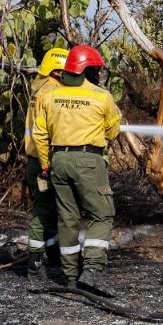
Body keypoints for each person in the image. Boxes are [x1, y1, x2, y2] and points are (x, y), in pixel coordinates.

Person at [31, 45, 121, 297]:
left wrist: (47, 164)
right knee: (101, 215)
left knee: (67, 219)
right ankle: (92, 270)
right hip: (88, 161)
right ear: (87, 70)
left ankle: (70, 276)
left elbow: (39, 134)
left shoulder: (49, 96)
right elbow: (113, 131)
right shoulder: (101, 96)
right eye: (95, 70)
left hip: (57, 160)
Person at [24, 47, 68, 286]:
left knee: (50, 210)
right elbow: (45, 132)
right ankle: (34, 265)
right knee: (43, 212)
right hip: (43, 160)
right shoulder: (51, 92)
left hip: (37, 159)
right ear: (57, 70)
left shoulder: (38, 86)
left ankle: (53, 256)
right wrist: (46, 165)